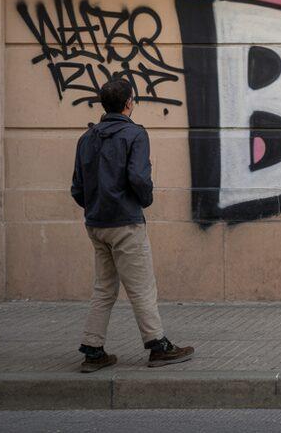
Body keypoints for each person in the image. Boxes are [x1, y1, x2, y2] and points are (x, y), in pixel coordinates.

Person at [71, 78, 194, 372]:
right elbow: (139, 177)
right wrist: (144, 200)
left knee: (104, 287)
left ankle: (93, 348)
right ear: (129, 103)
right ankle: (157, 345)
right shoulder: (134, 134)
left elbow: (77, 187)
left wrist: (94, 206)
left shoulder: (86, 138)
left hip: (96, 223)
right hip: (125, 222)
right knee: (142, 287)